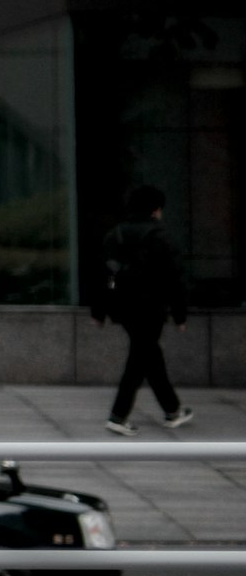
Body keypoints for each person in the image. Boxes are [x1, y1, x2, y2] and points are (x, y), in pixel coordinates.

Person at [99, 184, 192, 435]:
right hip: (151, 307)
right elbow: (175, 278)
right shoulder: (160, 237)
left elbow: (101, 274)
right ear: (156, 209)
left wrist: (99, 310)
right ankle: (118, 416)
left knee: (148, 354)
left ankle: (172, 409)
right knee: (140, 358)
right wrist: (180, 313)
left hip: (124, 308)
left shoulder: (115, 234)